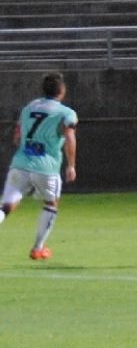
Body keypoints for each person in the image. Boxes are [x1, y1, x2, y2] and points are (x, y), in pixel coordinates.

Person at [0, 72, 78, 260]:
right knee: (51, 203)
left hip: (20, 164)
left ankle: (38, 247)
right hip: (46, 167)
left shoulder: (29, 108)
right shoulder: (66, 113)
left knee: (6, 206)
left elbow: (17, 137)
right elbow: (69, 136)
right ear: (62, 91)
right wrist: (71, 165)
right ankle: (38, 248)